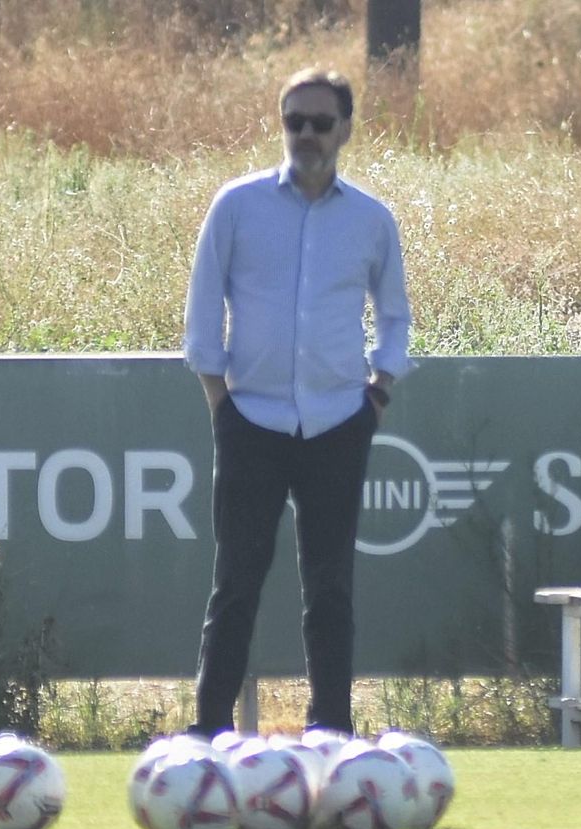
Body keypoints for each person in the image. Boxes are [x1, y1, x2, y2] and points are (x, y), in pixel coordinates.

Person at [182, 67, 413, 737]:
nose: (305, 135)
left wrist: (380, 390)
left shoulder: (371, 219)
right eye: (293, 121)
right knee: (235, 588)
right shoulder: (237, 205)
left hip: (340, 420)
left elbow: (394, 315)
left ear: (345, 127)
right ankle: (207, 734)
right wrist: (219, 401)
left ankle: (331, 733)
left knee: (331, 589)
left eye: (319, 122)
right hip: (250, 419)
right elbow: (203, 311)